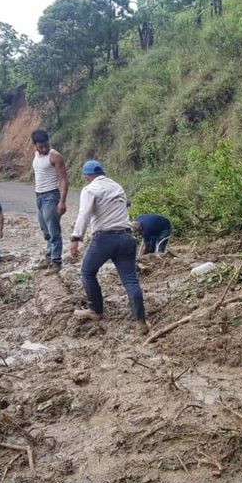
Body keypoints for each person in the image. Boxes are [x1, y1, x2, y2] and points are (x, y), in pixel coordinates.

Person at [69, 160, 149, 334]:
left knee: (87, 272)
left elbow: (84, 214)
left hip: (104, 239)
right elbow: (125, 205)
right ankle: (140, 321)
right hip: (127, 238)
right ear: (102, 173)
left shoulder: (90, 189)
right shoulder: (117, 187)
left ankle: (95, 310)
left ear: (87, 177)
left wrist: (76, 238)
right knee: (130, 280)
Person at [31, 129, 68, 271]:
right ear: (34, 145)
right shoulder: (36, 155)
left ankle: (56, 261)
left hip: (51, 196)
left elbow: (63, 178)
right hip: (39, 196)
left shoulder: (55, 156)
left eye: (46, 145)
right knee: (45, 230)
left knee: (53, 230)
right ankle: (48, 257)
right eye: (41, 147)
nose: (44, 149)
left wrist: (62, 201)